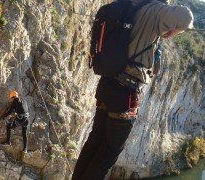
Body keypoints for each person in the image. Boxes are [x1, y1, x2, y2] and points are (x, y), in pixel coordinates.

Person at [72, 0, 194, 179]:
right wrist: (174, 30)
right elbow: (185, 17)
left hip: (108, 83)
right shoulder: (157, 11)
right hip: (126, 92)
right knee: (108, 154)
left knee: (94, 141)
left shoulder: (133, 6)